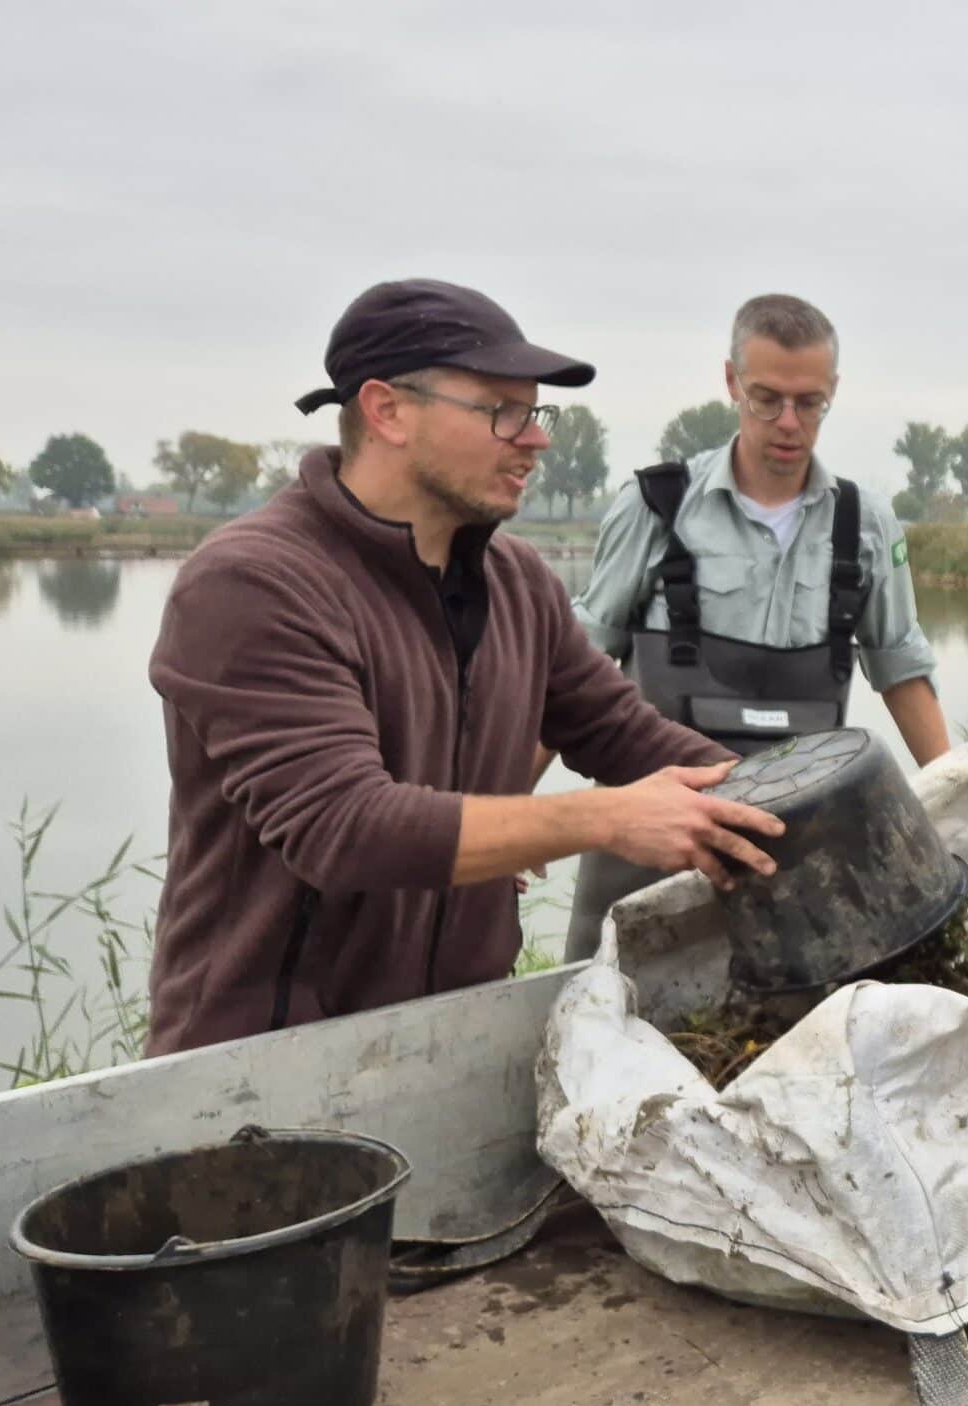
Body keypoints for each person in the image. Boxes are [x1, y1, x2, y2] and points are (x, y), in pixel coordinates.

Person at [146, 279, 787, 1057]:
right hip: (263, 1060)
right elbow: (343, 825)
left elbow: (624, 734)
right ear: (387, 410)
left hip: (454, 1039)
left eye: (535, 411)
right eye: (500, 411)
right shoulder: (254, 583)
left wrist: (798, 810)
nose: (536, 438)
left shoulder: (517, 582)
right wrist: (606, 818)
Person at [563, 294, 947, 961]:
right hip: (649, 846)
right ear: (732, 382)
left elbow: (902, 673)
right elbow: (564, 670)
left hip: (798, 861)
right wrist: (502, 813)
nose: (788, 422)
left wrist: (960, 806)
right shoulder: (655, 507)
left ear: (833, 393)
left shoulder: (867, 525)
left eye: (810, 402)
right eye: (766, 398)